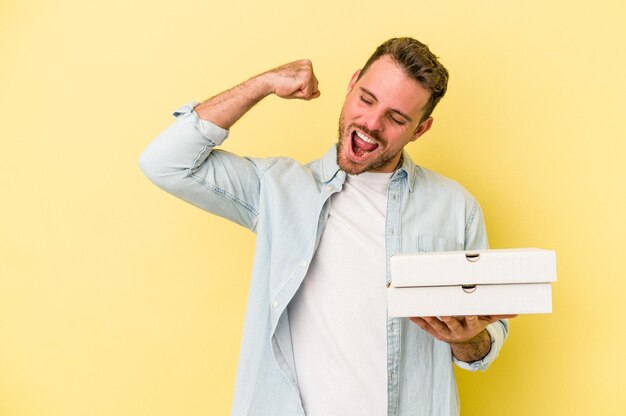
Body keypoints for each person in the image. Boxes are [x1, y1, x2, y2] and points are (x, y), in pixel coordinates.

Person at [139, 37, 513, 416]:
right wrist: (263, 84)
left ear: (420, 129)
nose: (371, 123)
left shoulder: (455, 207)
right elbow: (165, 163)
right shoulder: (279, 189)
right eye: (367, 99)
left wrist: (469, 339)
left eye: (397, 118)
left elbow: (485, 346)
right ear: (351, 84)